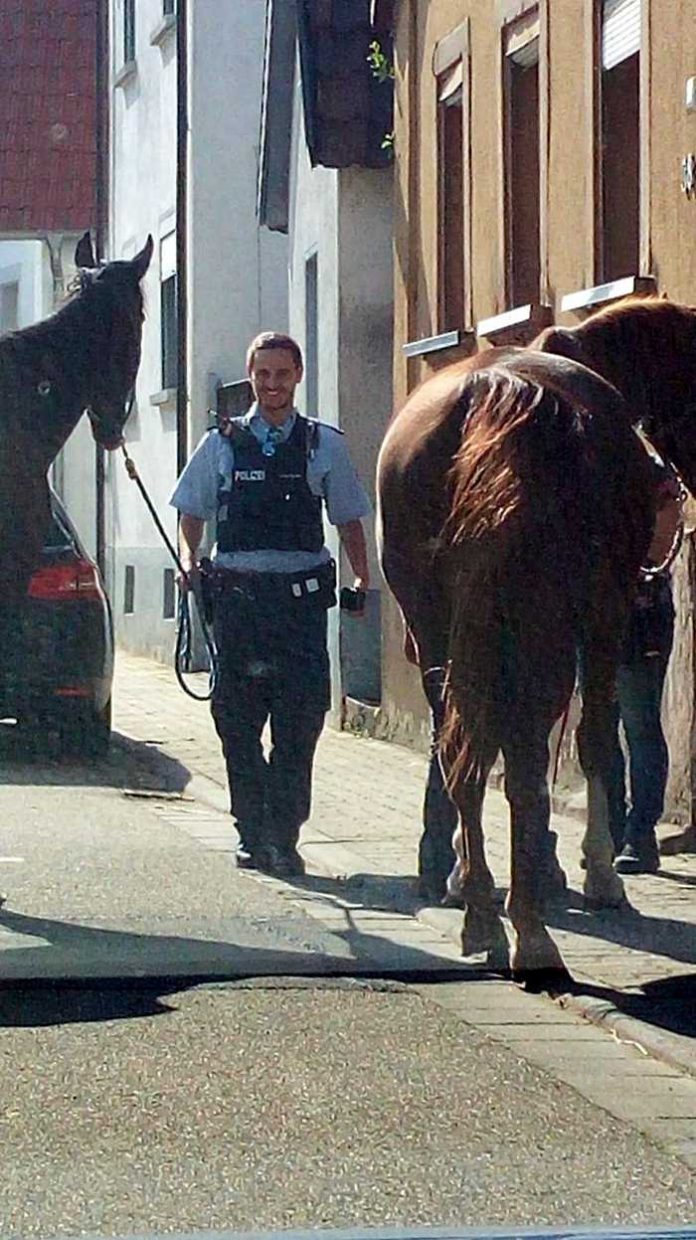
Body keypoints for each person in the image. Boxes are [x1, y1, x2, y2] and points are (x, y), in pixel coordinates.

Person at [170, 331, 371, 878]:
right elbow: (193, 510)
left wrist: (362, 576)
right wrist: (191, 559)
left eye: (282, 374)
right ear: (251, 375)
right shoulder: (221, 444)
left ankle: (284, 836)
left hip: (299, 608)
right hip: (238, 605)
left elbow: (349, 518)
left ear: (298, 376)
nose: (272, 384)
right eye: (263, 374)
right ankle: (251, 832)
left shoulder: (322, 445)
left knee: (299, 725)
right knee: (236, 723)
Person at [610, 461, 684, 875]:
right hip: (596, 618)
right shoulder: (585, 465)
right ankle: (611, 828)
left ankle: (640, 834)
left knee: (639, 726)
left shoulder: (653, 476)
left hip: (641, 616)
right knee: (600, 729)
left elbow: (663, 537)